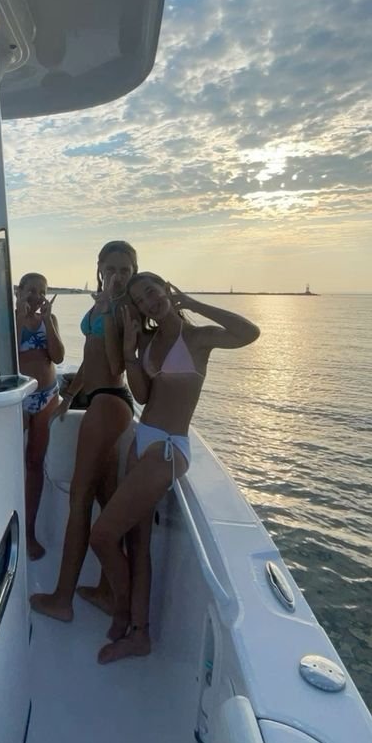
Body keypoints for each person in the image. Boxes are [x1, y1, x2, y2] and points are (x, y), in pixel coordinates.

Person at [90, 275, 260, 664]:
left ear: (166, 289)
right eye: (139, 298)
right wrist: (132, 353)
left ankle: (122, 613)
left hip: (168, 449)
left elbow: (249, 332)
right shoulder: (148, 342)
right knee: (137, 542)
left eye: (152, 290)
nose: (148, 301)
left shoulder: (198, 339)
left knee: (101, 536)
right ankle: (140, 632)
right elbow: (144, 395)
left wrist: (194, 303)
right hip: (143, 438)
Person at [30, 240, 138, 623]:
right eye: (111, 268)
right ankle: (110, 594)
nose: (118, 275)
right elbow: (89, 359)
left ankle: (62, 599)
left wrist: (109, 313)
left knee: (79, 500)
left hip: (109, 402)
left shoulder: (124, 309)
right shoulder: (103, 304)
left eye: (125, 269)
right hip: (97, 400)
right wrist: (70, 394)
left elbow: (112, 363)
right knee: (105, 500)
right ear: (100, 268)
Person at [16, 273, 65, 560]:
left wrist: (47, 320)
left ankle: (30, 531)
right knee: (11, 462)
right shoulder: (8, 318)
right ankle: (9, 528)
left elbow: (57, 357)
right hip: (18, 399)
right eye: (30, 291)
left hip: (47, 396)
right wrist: (21, 318)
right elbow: (5, 353)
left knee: (35, 463)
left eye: (42, 291)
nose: (36, 297)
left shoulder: (51, 320)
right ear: (19, 292)